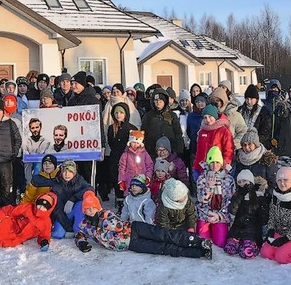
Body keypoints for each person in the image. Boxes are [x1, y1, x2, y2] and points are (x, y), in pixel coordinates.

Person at [75, 190, 212, 259]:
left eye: (92, 207)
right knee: (162, 248)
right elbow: (79, 234)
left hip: (135, 228)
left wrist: (100, 223)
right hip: (130, 244)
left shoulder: (106, 214)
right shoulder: (86, 224)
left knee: (165, 235)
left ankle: (198, 241)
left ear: (97, 207)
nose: (90, 211)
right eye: (87, 209)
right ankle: (199, 253)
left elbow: (119, 226)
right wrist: (81, 242)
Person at [261, 167, 291, 264]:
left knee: (281, 257)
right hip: (279, 232)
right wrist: (271, 230)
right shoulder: (276, 196)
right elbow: (272, 216)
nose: (282, 183)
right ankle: (282, 248)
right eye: (279, 180)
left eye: (286, 180)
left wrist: (286, 239)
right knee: (266, 253)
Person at [223, 170, 269, 259]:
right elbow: (232, 211)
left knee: (246, 252)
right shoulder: (237, 195)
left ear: (250, 181)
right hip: (237, 228)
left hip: (252, 230)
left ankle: (250, 244)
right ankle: (238, 242)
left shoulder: (259, 196)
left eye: (244, 181)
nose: (242, 184)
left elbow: (263, 217)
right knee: (229, 249)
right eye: (239, 182)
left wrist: (263, 234)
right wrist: (240, 195)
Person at [196, 146, 235, 247]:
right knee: (202, 242)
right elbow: (201, 200)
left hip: (221, 214)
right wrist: (208, 188)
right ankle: (207, 227)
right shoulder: (202, 178)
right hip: (205, 213)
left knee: (220, 242)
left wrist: (219, 215)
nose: (214, 165)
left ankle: (217, 227)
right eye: (212, 162)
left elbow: (229, 200)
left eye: (217, 162)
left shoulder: (229, 179)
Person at [67, 71, 102, 182]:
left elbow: (98, 122)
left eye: (75, 83)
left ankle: (90, 197)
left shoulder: (92, 100)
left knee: (88, 174)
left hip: (89, 143)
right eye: (72, 84)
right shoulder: (72, 101)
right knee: (75, 174)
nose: (73, 86)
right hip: (75, 143)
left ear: (82, 84)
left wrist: (102, 144)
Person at [101, 102, 137, 210]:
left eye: (121, 112)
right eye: (116, 112)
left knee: (127, 179)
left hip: (128, 158)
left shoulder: (132, 128)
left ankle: (129, 199)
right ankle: (119, 200)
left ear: (125, 114)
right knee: (116, 179)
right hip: (115, 157)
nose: (118, 115)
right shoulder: (111, 128)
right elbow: (111, 143)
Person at [50, 160, 93, 239]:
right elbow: (57, 210)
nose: (67, 174)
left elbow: (90, 189)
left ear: (74, 172)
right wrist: (68, 227)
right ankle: (70, 227)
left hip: (75, 211)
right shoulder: (56, 184)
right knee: (58, 234)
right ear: (61, 172)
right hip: (62, 214)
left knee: (80, 203)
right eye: (65, 172)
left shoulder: (79, 180)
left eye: (70, 171)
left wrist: (73, 199)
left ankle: (78, 228)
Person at [192, 104, 234, 181]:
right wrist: (196, 168)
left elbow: (228, 151)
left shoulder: (224, 131)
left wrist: (225, 167)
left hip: (218, 168)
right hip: (204, 168)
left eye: (210, 116)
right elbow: (199, 152)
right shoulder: (202, 131)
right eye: (205, 117)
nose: (207, 120)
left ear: (215, 117)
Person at [141, 88, 184, 160]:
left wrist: (179, 151)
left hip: (170, 152)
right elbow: (144, 133)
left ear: (165, 101)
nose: (158, 103)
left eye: (160, 101)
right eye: (156, 101)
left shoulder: (171, 115)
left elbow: (178, 133)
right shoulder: (148, 116)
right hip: (152, 152)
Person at [235, 128, 278, 195]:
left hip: (262, 197)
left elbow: (273, 182)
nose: (246, 147)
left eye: (250, 144)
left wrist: (266, 195)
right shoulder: (239, 159)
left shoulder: (267, 159)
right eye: (244, 145)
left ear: (256, 145)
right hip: (243, 197)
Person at [118, 130, 154, 197]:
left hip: (142, 179)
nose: (135, 144)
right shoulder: (126, 154)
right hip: (129, 179)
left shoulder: (145, 154)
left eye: (137, 143)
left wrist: (148, 177)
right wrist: (121, 180)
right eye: (133, 142)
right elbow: (122, 167)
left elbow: (149, 166)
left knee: (142, 195)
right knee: (130, 195)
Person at [237, 84, 272, 149]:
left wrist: (256, 142)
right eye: (247, 99)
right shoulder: (240, 110)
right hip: (241, 144)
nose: (249, 101)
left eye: (251, 98)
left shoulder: (263, 111)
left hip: (257, 144)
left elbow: (266, 131)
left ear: (256, 99)